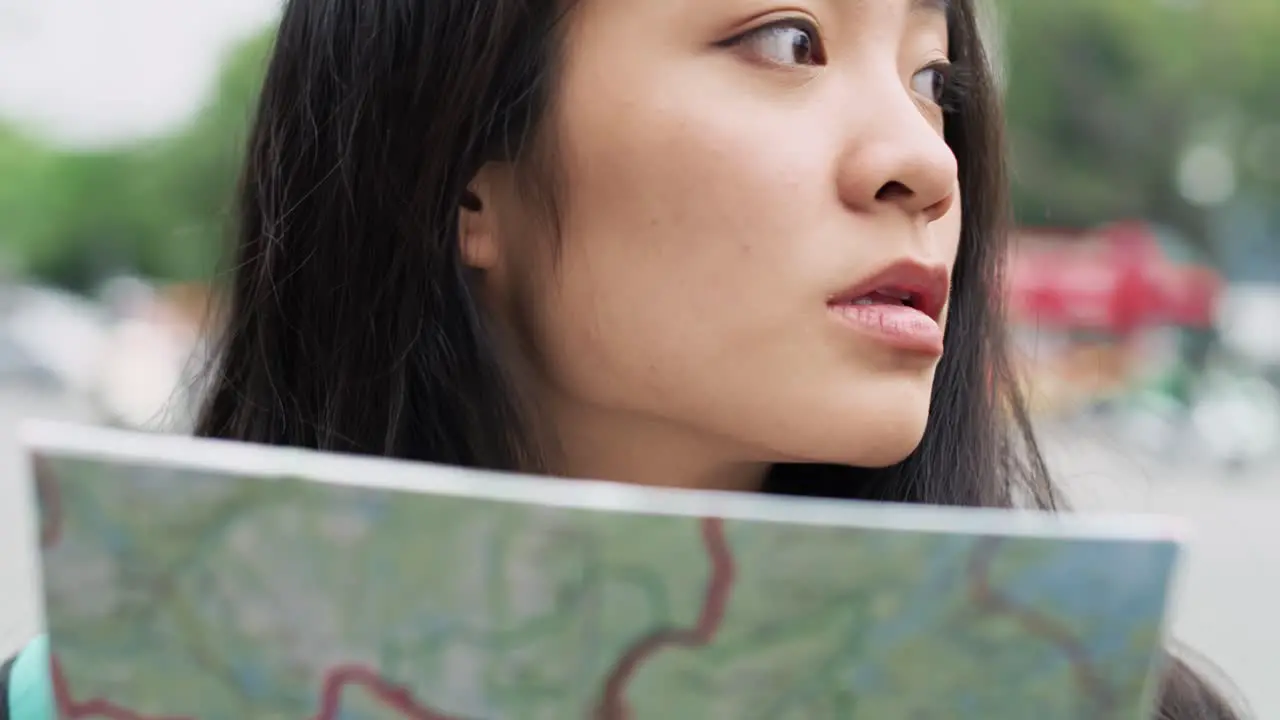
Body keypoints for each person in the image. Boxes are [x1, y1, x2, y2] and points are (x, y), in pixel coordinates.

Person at [2, 0, 1245, 717]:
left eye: (934, 80)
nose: (924, 160)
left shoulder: (1120, 707)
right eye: (785, 41)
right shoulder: (99, 698)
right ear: (461, 165)